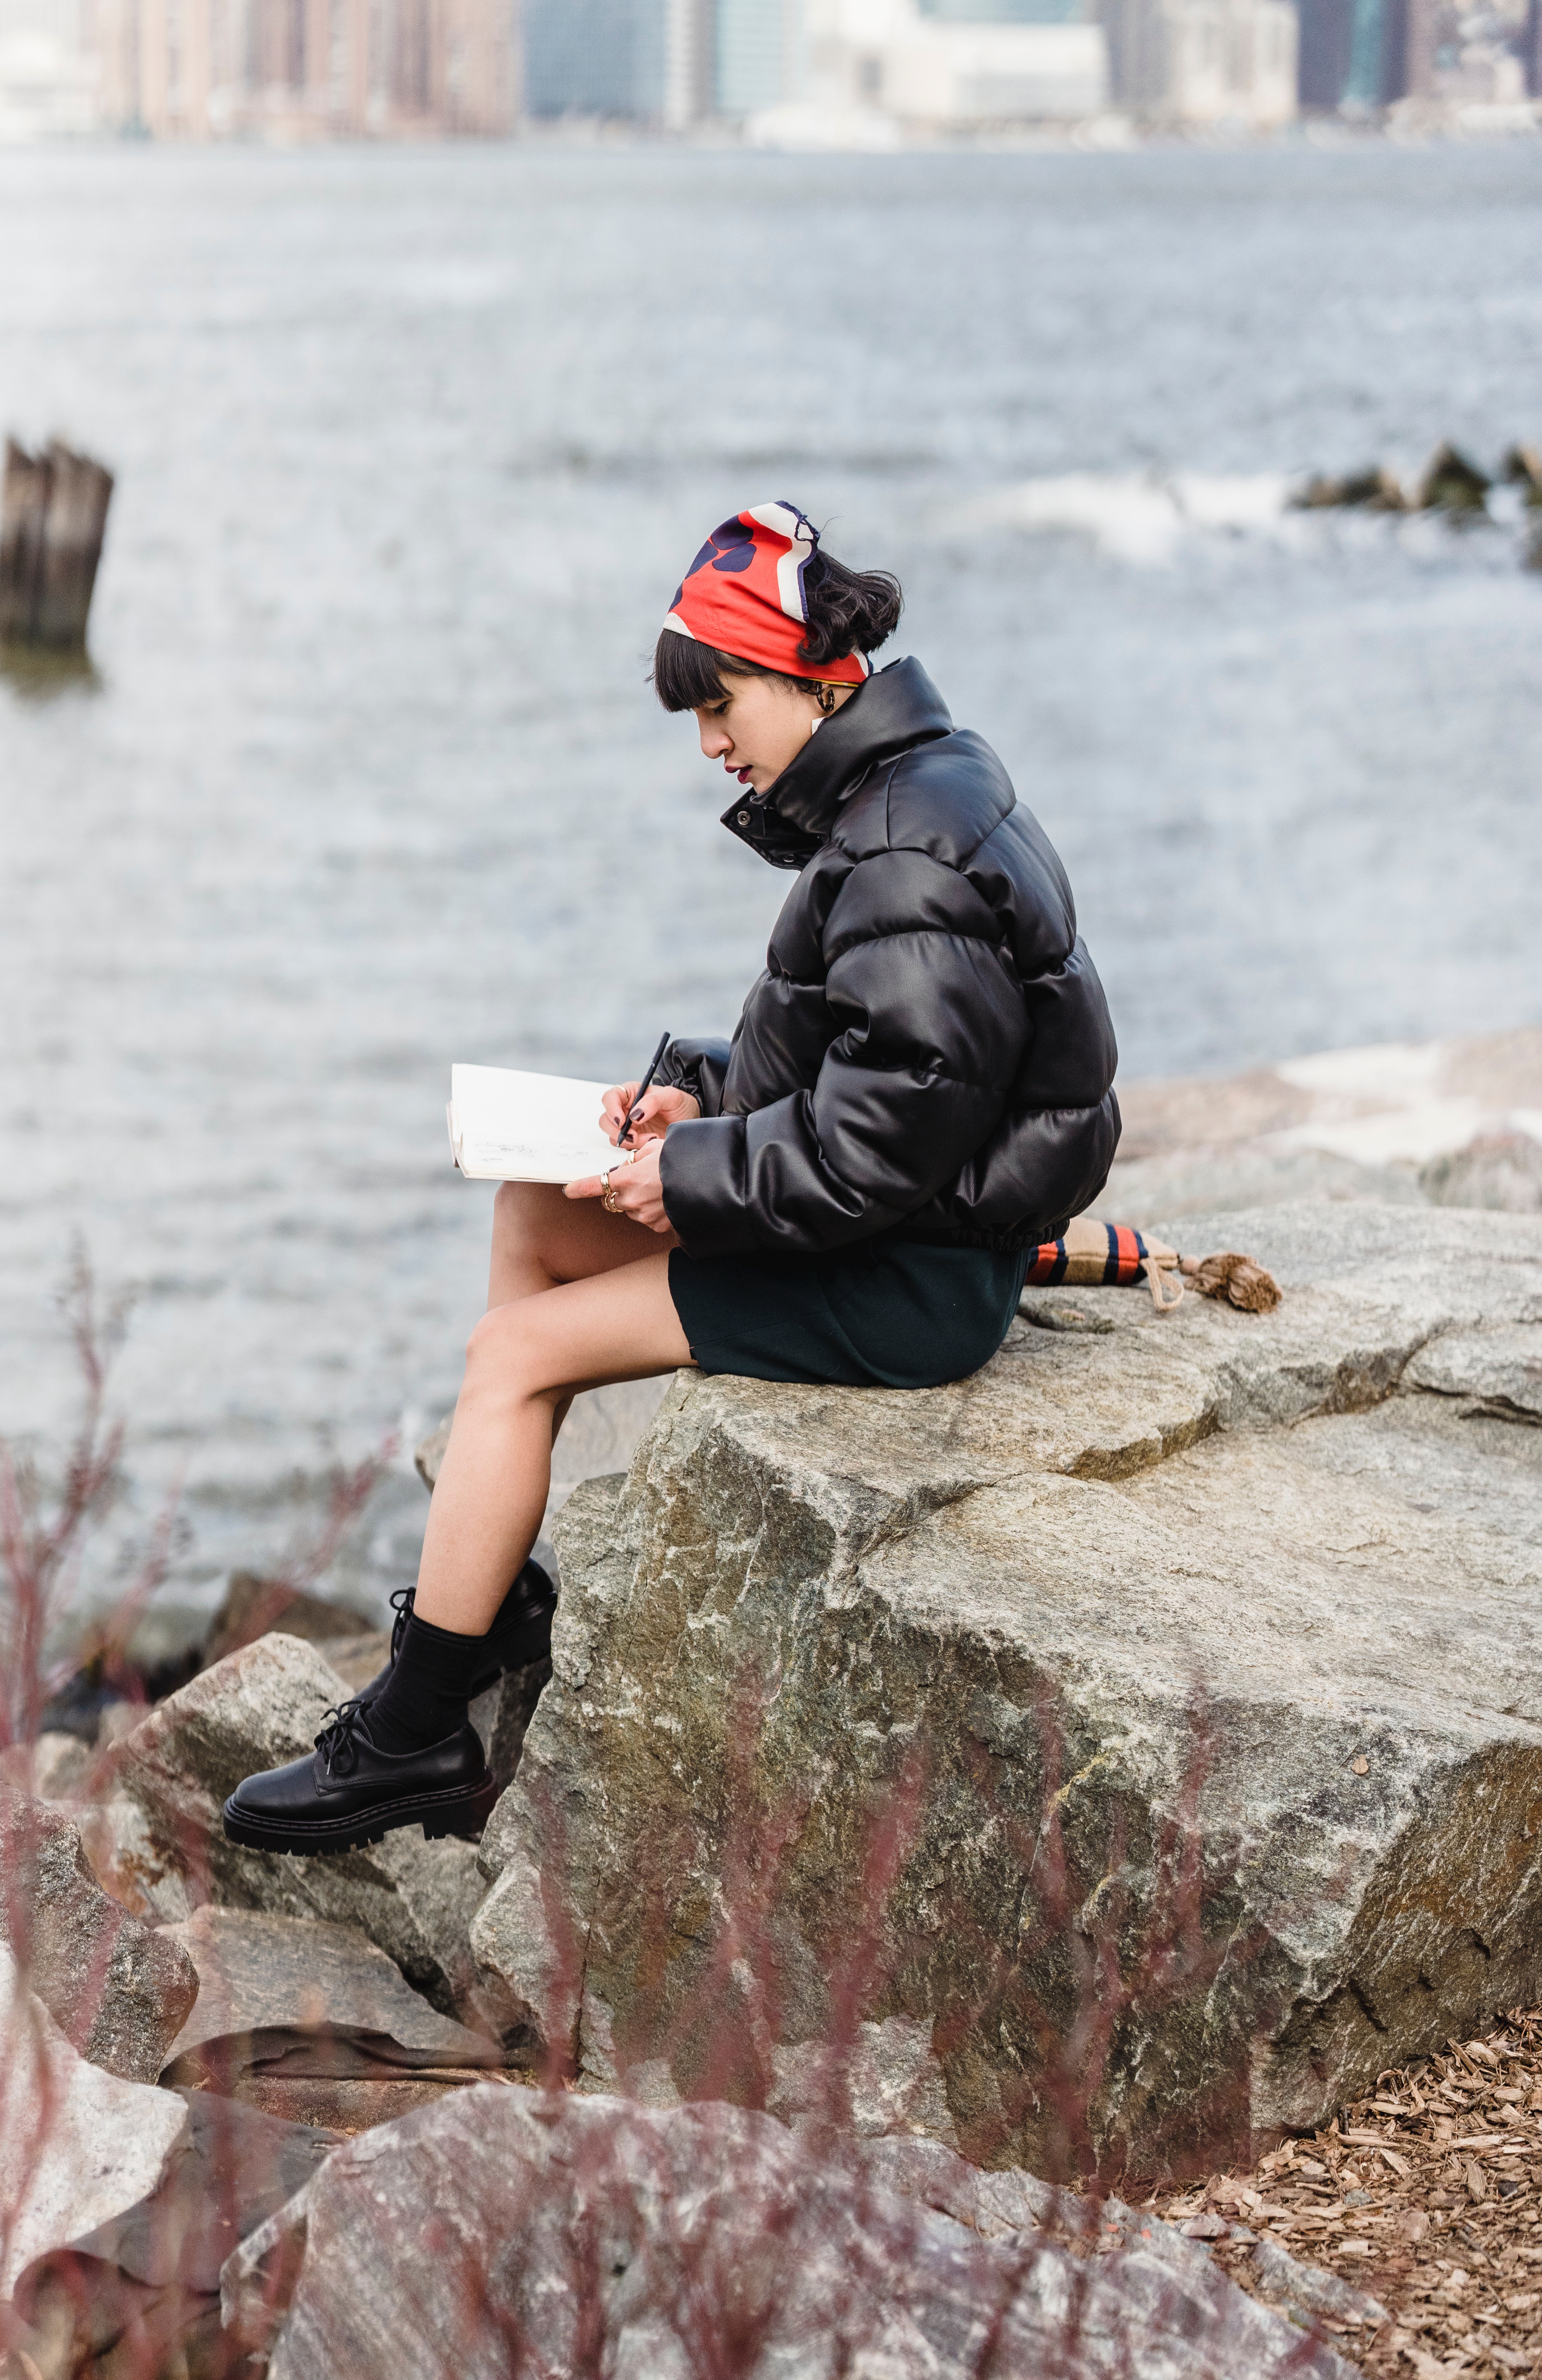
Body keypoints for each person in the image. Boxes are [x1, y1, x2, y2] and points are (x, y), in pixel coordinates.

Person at [223, 499, 1119, 1857]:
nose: (710, 745)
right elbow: (872, 1064)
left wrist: (693, 1176)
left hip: (912, 1285)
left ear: (810, 675)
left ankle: (411, 1739)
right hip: (899, 1232)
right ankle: (492, 1597)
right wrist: (696, 1096)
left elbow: (880, 1149)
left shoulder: (897, 852)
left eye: (723, 705)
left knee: (515, 1353)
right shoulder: (913, 788)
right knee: (535, 1206)